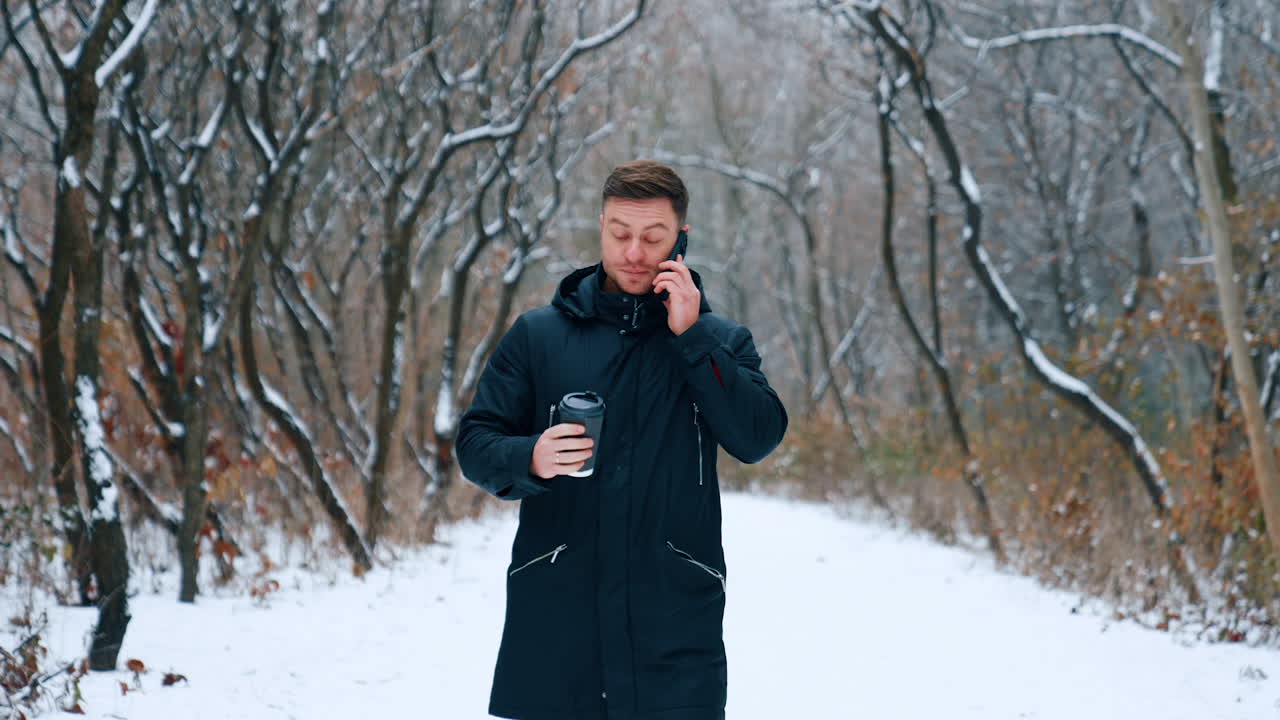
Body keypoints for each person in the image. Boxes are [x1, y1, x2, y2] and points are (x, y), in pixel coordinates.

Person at [456, 159, 788, 720]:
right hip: (558, 617)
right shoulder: (540, 336)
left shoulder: (721, 341)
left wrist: (694, 338)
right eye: (620, 234)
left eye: (653, 237)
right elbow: (475, 444)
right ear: (602, 227)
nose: (634, 253)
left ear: (681, 238)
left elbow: (756, 438)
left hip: (675, 620)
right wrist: (529, 456)